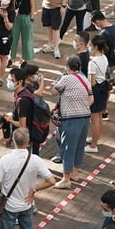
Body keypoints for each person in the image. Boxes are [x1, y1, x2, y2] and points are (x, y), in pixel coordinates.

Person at [47, 56, 93, 189]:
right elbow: (91, 100)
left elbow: (53, 92)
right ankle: (75, 172)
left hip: (71, 119)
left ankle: (66, 178)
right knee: (79, 146)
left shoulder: (66, 78)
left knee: (68, 148)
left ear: (68, 67)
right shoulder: (85, 79)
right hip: (85, 118)